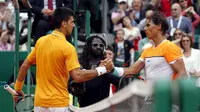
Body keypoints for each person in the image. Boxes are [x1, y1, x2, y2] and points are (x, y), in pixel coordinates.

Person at [13, 7, 113, 112]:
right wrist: (103, 69)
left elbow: (25, 65)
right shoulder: (68, 48)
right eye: (72, 22)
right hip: (58, 105)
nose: (74, 25)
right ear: (64, 24)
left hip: (40, 104)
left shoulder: (40, 42)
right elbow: (78, 76)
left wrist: (18, 89)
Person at [106, 11, 187, 85]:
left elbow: (182, 74)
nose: (144, 29)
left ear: (158, 26)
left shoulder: (170, 47)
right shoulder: (146, 50)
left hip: (165, 99)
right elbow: (132, 71)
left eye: (148, 25)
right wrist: (112, 69)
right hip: (149, 98)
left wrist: (167, 95)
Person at [77, 35, 120, 107]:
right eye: (95, 45)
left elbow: (118, 81)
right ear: (89, 46)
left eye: (101, 45)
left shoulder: (108, 63)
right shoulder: (81, 62)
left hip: (103, 105)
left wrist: (103, 71)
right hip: (85, 105)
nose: (98, 47)